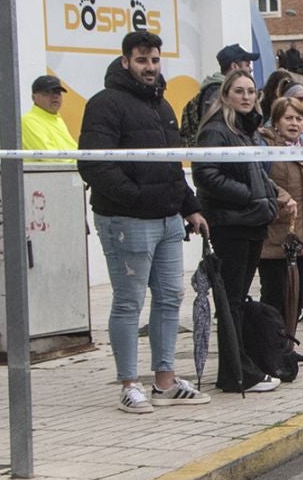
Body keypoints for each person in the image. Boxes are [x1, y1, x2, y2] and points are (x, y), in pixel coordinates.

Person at [77, 30, 211, 413]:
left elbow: (171, 165)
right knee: (129, 302)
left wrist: (190, 206)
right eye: (141, 60)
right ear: (125, 62)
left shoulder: (162, 105)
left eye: (154, 60)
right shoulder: (105, 104)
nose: (149, 67)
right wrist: (136, 198)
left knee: (171, 298)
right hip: (126, 220)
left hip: (169, 220)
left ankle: (165, 382)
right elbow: (93, 164)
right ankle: (129, 383)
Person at [194, 69, 282, 392]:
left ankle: (243, 366)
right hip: (231, 224)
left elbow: (258, 174)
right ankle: (236, 374)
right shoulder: (216, 131)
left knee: (239, 300)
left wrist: (270, 196)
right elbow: (206, 175)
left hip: (254, 222)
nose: (246, 97)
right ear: (225, 96)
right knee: (230, 301)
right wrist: (249, 197)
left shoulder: (249, 132)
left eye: (251, 91)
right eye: (239, 91)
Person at [257, 95, 303, 360]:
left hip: (301, 235)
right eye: (288, 118)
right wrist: (282, 197)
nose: (294, 123)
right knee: (274, 296)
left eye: (299, 119)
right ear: (276, 121)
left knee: (296, 295)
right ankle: (270, 348)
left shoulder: (302, 150)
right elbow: (262, 181)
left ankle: (287, 346)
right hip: (275, 236)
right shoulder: (267, 146)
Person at [181, 43, 252, 144]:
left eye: (251, 92)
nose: (250, 69)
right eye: (247, 65)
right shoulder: (216, 93)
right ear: (234, 66)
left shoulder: (213, 89)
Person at [20, 73, 75, 160]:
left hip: (65, 172)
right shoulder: (29, 121)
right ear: (33, 97)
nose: (55, 96)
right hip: (45, 173)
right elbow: (49, 156)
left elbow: (72, 149)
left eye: (58, 93)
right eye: (47, 92)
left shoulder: (56, 118)